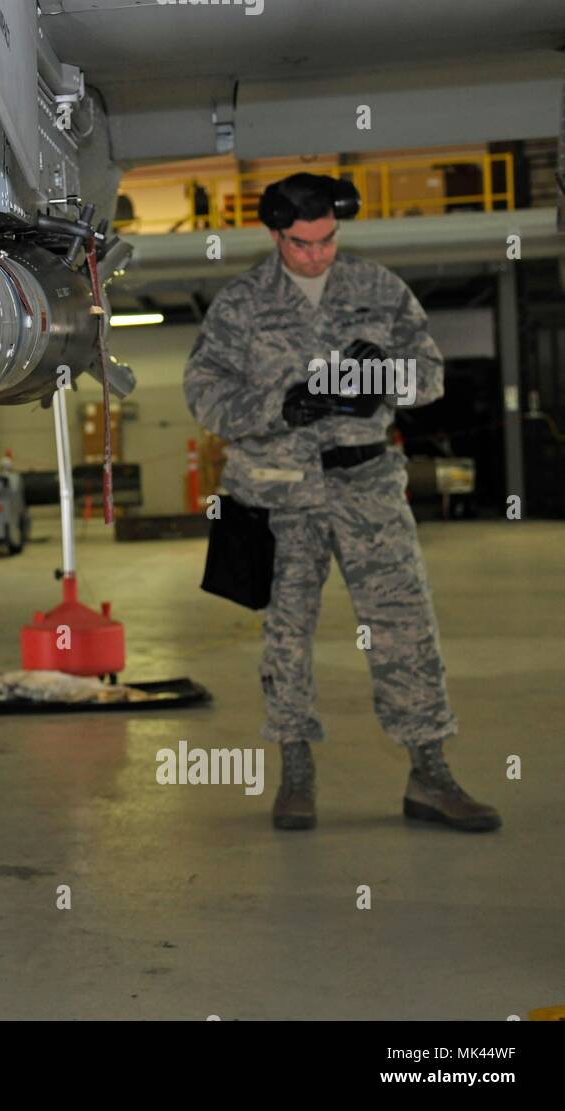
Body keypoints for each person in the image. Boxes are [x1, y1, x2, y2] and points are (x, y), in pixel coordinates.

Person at [183, 172, 500, 833]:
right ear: (274, 234)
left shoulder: (378, 289)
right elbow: (204, 393)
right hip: (279, 491)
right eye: (301, 243)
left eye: (327, 239)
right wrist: (281, 405)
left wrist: (383, 375)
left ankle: (430, 773)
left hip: (369, 487)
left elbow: (432, 374)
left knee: (405, 627)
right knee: (287, 637)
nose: (318, 254)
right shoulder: (242, 302)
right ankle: (296, 771)